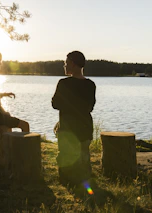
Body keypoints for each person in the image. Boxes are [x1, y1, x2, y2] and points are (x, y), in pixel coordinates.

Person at [52, 51, 96, 186]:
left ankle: (69, 184)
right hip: (85, 128)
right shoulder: (90, 84)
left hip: (68, 130)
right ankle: (86, 184)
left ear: (72, 63)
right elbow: (89, 107)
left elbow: (55, 104)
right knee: (83, 157)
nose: (64, 66)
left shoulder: (64, 83)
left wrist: (67, 105)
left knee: (66, 158)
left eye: (66, 63)